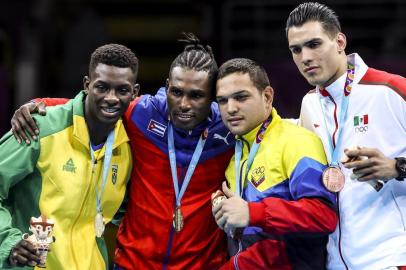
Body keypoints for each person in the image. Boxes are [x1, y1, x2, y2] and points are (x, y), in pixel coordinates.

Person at [10, 33, 234, 269]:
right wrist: (37, 104)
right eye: (176, 92)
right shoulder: (142, 114)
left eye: (196, 95)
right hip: (133, 263)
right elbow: (92, 106)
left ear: (212, 97)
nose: (184, 104)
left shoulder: (228, 131)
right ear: (167, 87)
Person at [286, 2, 406, 269]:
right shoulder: (310, 104)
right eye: (296, 49)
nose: (305, 57)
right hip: (335, 262)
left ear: (339, 41)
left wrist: (397, 167)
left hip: (390, 259)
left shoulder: (390, 90)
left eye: (314, 44)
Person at [0, 43, 138, 269]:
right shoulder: (38, 128)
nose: (111, 98)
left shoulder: (128, 149)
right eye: (102, 87)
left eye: (122, 90)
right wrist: (8, 240)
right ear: (87, 84)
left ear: (134, 92)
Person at [213, 58, 338, 269]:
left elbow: (323, 216)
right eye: (222, 101)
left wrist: (253, 212)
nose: (230, 108)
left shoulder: (296, 141)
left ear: (267, 96)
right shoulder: (236, 156)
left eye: (240, 97)